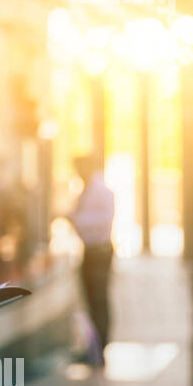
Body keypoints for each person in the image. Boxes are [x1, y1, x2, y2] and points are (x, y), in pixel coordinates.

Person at [68, 155, 115, 365]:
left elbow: (102, 221)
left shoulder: (102, 191)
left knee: (98, 299)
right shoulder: (88, 190)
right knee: (91, 299)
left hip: (99, 251)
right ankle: (94, 346)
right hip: (91, 250)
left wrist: (74, 218)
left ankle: (100, 347)